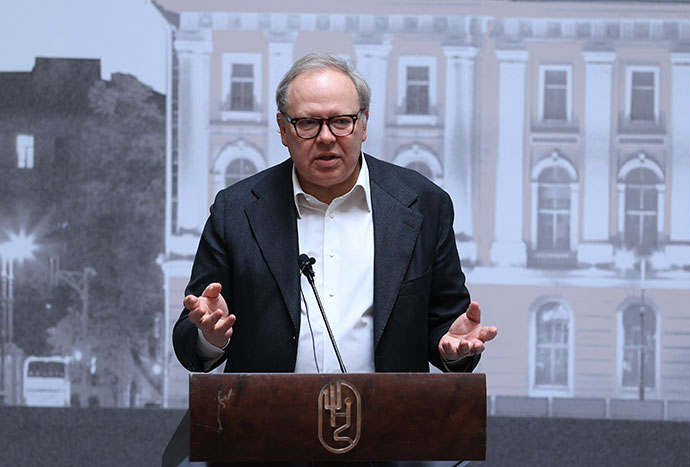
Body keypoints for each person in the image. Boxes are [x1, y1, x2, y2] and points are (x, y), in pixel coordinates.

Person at [173, 52, 497, 378]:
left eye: (341, 121)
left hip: (390, 410)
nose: (326, 138)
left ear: (363, 123)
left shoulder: (424, 204)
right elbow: (190, 335)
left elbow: (447, 327)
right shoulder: (235, 210)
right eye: (308, 123)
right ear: (283, 129)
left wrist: (453, 347)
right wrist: (209, 335)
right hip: (269, 409)